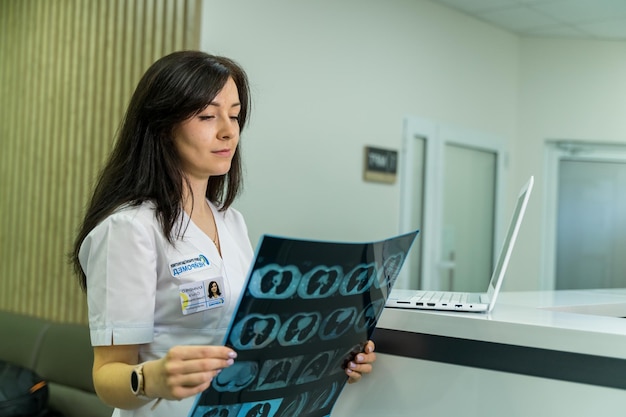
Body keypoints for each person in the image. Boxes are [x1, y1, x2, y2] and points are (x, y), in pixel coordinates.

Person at [71, 50, 376, 417]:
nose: (228, 130)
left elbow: (251, 337)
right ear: (162, 125)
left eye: (234, 115)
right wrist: (152, 379)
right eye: (207, 116)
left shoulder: (231, 221)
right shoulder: (130, 229)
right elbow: (107, 376)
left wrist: (331, 357)